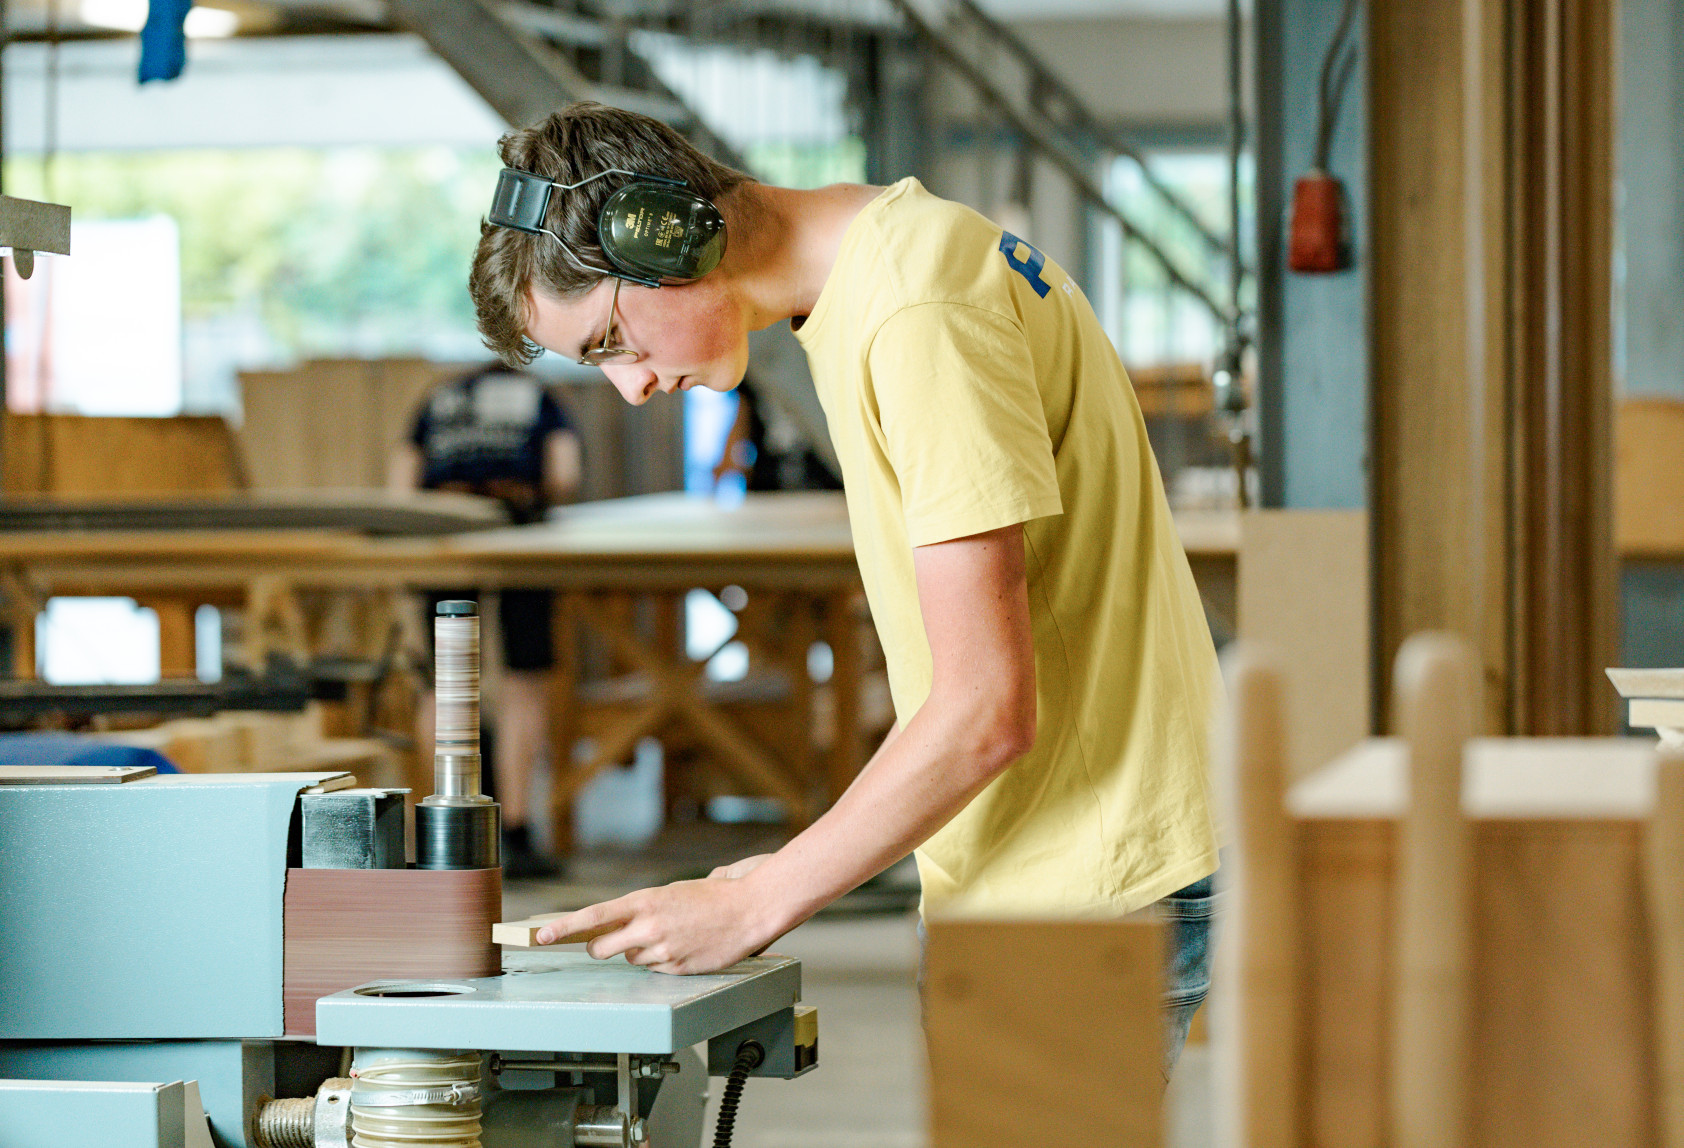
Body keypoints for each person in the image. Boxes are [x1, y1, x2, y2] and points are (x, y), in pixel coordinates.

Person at [468, 103, 1220, 1071]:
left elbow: (988, 706)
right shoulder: (883, 283)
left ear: (670, 230)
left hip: (1078, 875)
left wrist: (761, 896)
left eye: (613, 338)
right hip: (1037, 861)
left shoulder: (917, 311)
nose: (631, 387)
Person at [389, 363, 582, 878]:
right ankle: (517, 831)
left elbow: (401, 485)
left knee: (443, 685)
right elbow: (564, 474)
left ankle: (447, 831)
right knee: (525, 680)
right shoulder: (539, 396)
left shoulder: (439, 397)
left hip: (444, 531)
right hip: (521, 529)